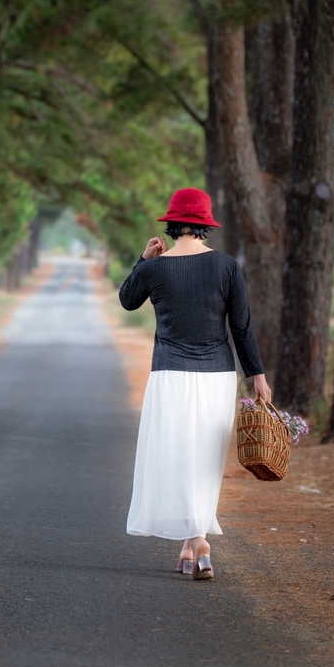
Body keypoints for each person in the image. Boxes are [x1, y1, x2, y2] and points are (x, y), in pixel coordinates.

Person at [120, 187, 271, 580]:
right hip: (216, 376)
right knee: (204, 457)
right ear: (205, 225)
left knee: (174, 453)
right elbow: (241, 327)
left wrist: (143, 259)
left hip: (169, 373)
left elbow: (127, 300)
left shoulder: (155, 268)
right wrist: (257, 374)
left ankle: (195, 543)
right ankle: (195, 541)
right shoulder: (226, 267)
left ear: (170, 224)